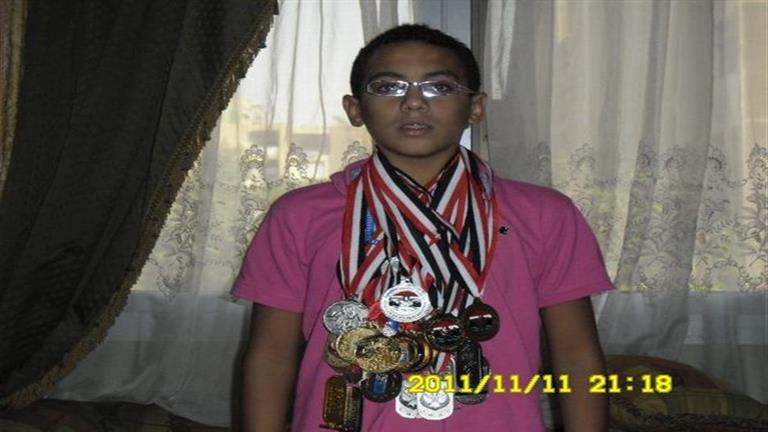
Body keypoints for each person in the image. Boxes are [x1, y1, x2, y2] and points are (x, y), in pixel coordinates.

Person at [233, 24, 613, 432]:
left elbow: (577, 356)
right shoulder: (298, 215)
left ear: (476, 107)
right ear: (355, 109)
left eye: (439, 87)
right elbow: (271, 357)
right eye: (388, 87)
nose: (413, 103)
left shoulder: (545, 214)